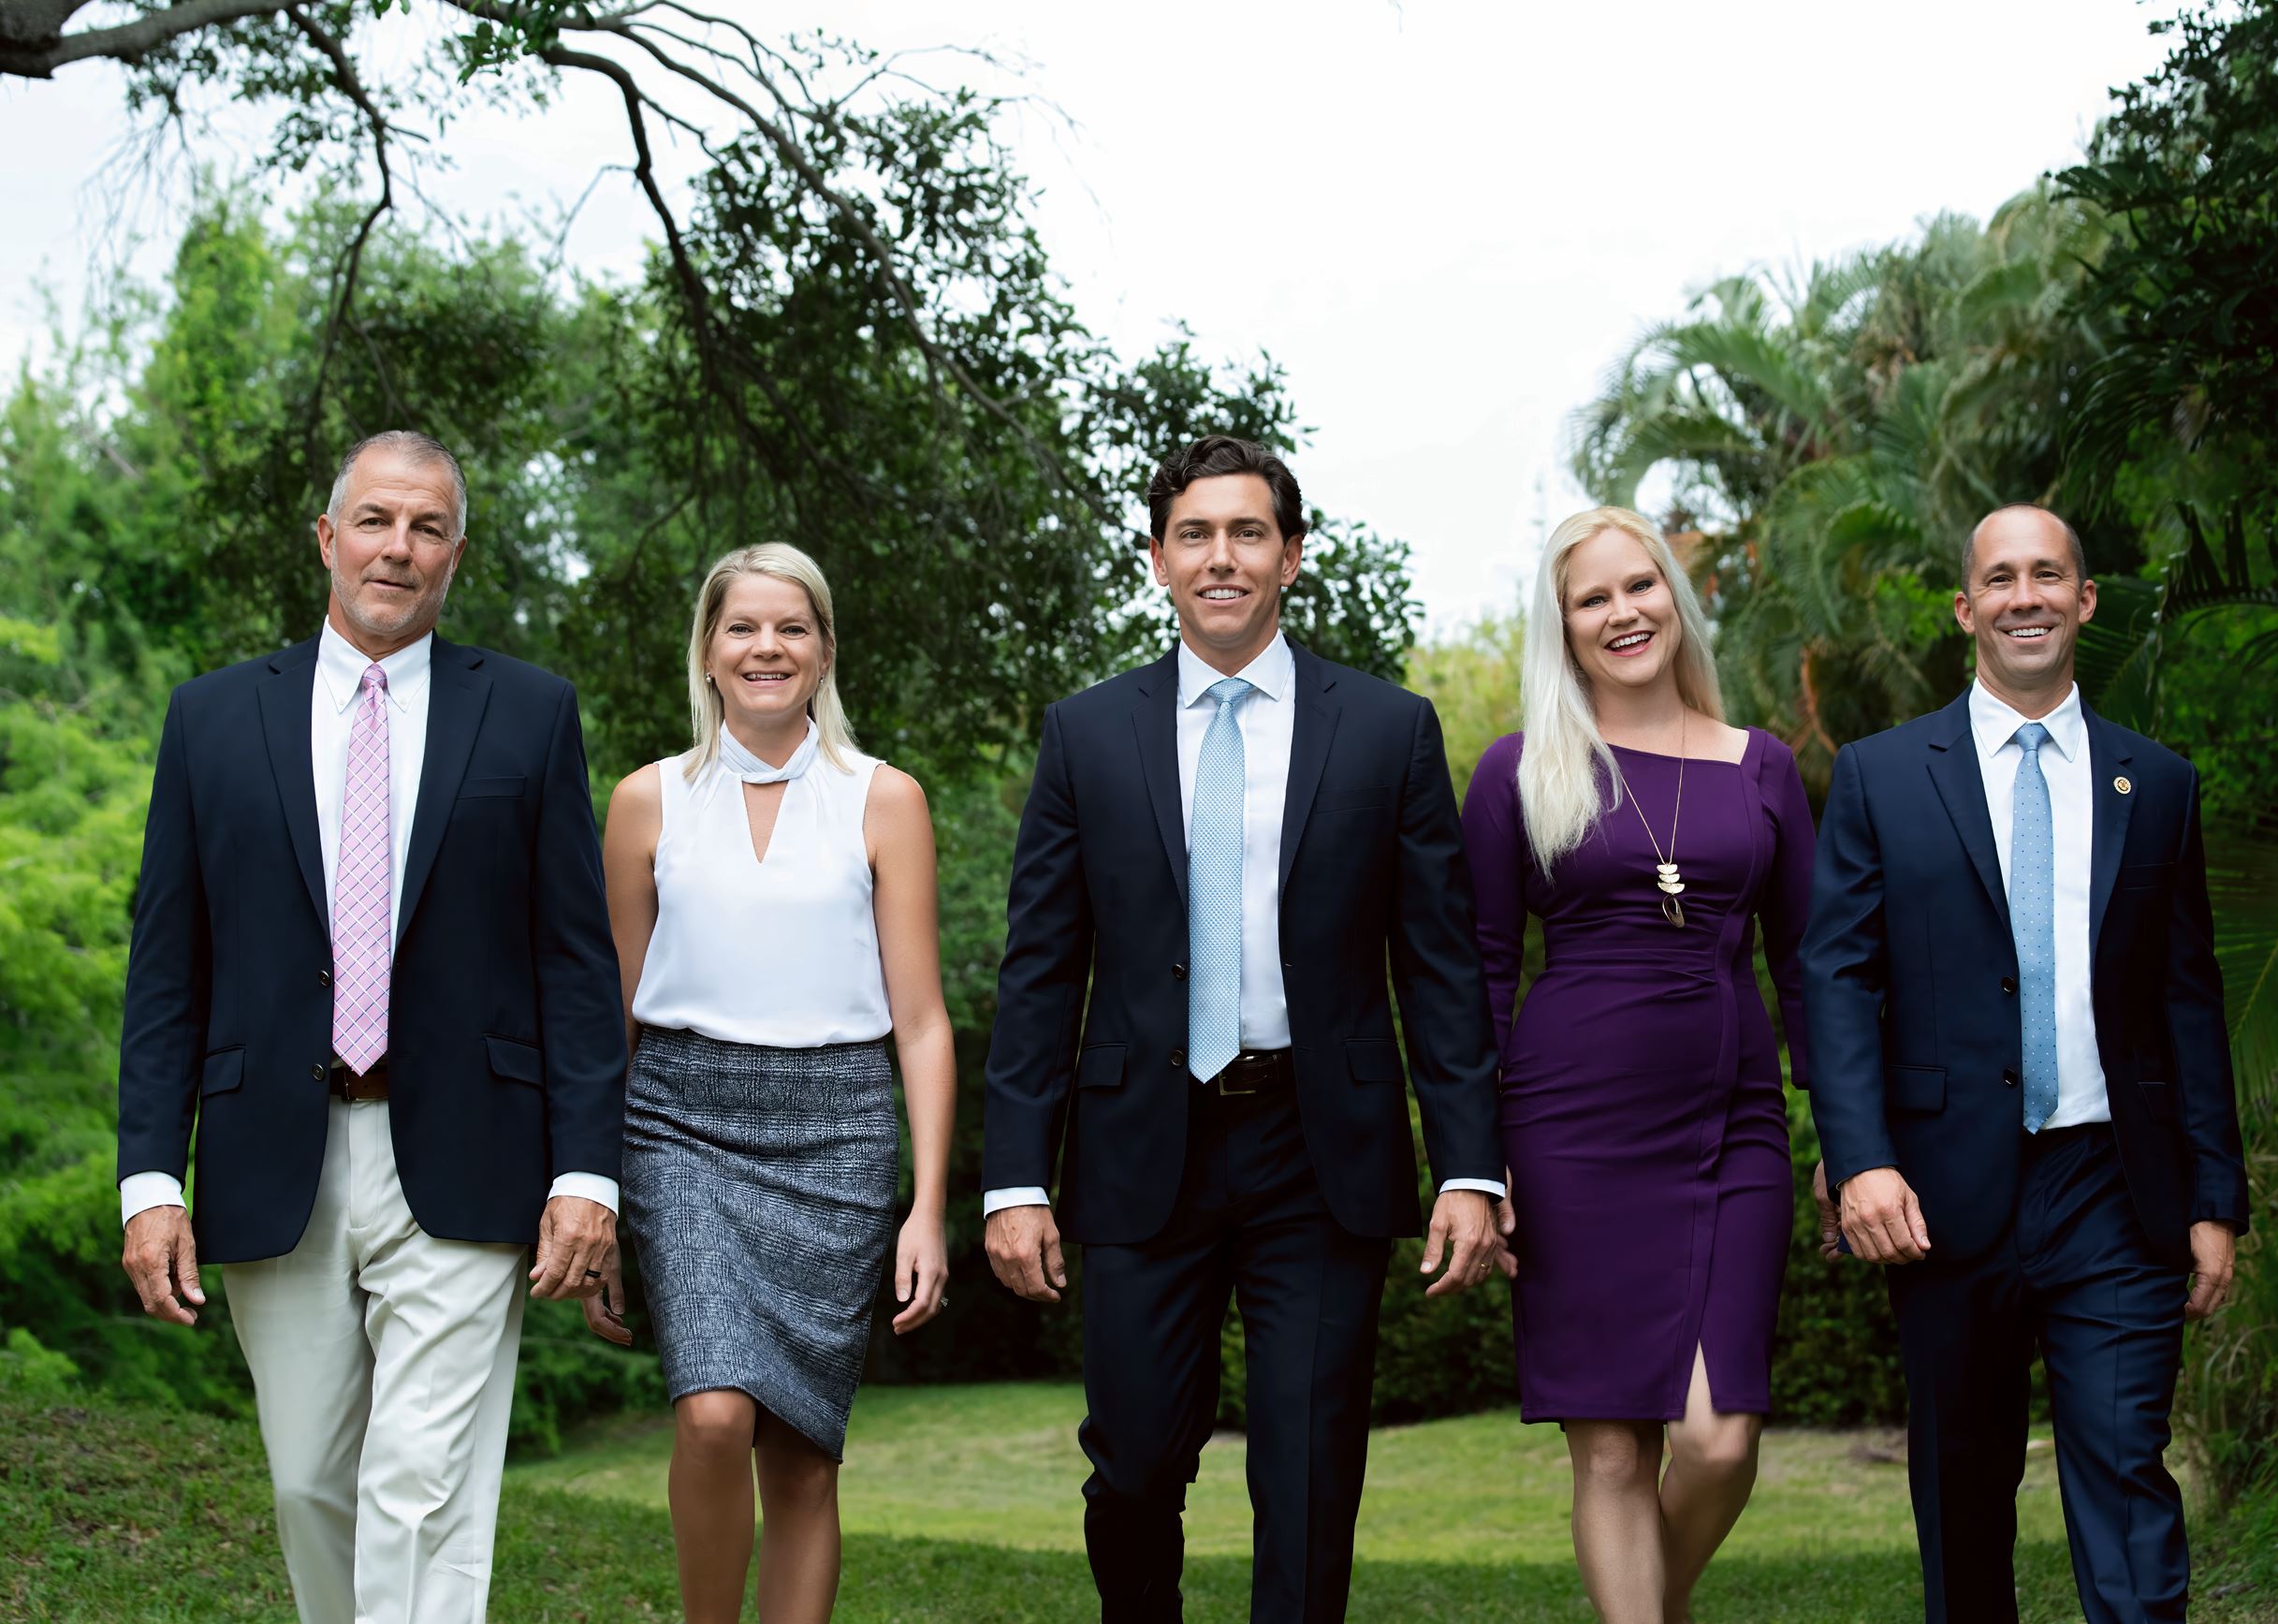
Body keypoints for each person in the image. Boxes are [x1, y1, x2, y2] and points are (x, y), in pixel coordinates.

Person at [981, 435, 1507, 1622]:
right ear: (1159, 558)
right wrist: (1014, 1178)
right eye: (1195, 534)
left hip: (1317, 1153)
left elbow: (1435, 966)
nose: (1221, 557)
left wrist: (1469, 1162)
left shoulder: (1386, 730)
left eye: (1247, 532)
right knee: (1128, 1473)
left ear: (1291, 555)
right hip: (1136, 1150)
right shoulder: (1085, 734)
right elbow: (1039, 971)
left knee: (1311, 1474)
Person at [115, 431, 627, 1624]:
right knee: (309, 1483)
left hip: (467, 1147)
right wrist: (150, 1176)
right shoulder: (209, 718)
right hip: (269, 1151)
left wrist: (586, 1170)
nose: (399, 548)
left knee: (421, 1488)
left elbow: (574, 962)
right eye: (377, 521)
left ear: (456, 554)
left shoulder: (531, 715)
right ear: (328, 538)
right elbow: (165, 970)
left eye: (428, 527)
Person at [1803, 504, 2250, 1623]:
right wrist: (1857, 1159)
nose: (2024, 596)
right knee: (1962, 1502)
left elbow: (2187, 1003)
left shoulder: (2158, 784)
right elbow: (1837, 982)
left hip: (2116, 1188)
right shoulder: (1878, 776)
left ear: (2082, 600)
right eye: (1998, 578)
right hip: (1942, 1199)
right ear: (1965, 610)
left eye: (2046, 574)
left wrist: (2212, 1198)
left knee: (2123, 1474)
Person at [588, 543, 953, 1624]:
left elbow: (923, 1023)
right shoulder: (644, 802)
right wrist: (593, 1196)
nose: (766, 647)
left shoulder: (884, 799)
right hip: (679, 1127)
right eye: (742, 626)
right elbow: (612, 1017)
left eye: (791, 627)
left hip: (837, 1133)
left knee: (801, 1453)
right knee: (709, 1414)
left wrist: (926, 1207)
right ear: (706, 650)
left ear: (825, 650)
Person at [1460, 507, 1811, 1622]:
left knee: (1717, 1438)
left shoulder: (1762, 768)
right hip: (1568, 1138)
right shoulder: (1517, 772)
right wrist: (1475, 1160)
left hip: (1733, 1129)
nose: (1622, 613)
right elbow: (1478, 978)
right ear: (1560, 629)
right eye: (1591, 598)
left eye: (1638, 586)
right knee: (1609, 1449)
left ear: (1674, 597)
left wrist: (1848, 1139)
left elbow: (1808, 970)